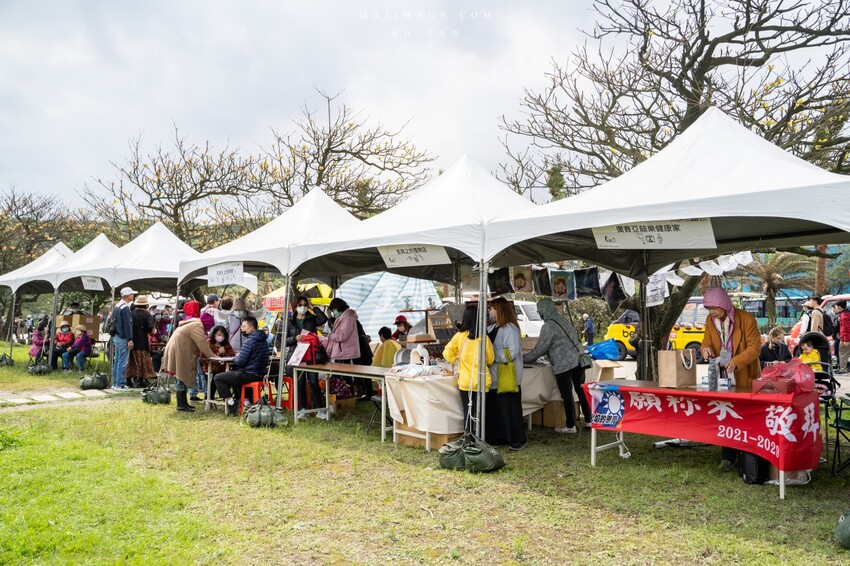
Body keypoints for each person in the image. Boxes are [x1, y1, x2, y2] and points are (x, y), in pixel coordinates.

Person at [700, 287, 761, 471]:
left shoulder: (747, 319)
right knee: (727, 416)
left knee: (745, 416)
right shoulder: (710, 320)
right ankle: (728, 457)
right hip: (722, 375)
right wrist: (705, 348)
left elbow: (755, 348)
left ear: (725, 305)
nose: (712, 312)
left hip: (743, 373)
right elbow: (707, 340)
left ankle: (748, 456)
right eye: (709, 308)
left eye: (715, 308)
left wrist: (736, 361)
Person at [523, 298, 592, 433]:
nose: (539, 314)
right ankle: (589, 420)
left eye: (539, 311)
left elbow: (540, 349)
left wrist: (525, 358)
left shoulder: (548, 326)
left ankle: (570, 425)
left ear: (544, 310)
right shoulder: (562, 319)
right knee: (580, 390)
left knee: (567, 394)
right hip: (578, 359)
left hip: (564, 363)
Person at [443, 304, 495, 423]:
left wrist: (456, 359)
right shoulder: (484, 338)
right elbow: (490, 359)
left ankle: (469, 437)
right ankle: (481, 437)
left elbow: (446, 353)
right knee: (481, 413)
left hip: (466, 382)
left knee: (468, 411)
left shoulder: (459, 336)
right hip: (482, 381)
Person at [488, 297, 527, 451]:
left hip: (508, 376)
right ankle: (502, 436)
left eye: (493, 309)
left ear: (500, 310)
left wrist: (493, 357)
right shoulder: (493, 328)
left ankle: (518, 439)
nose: (490, 311)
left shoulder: (510, 328)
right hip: (495, 376)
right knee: (498, 410)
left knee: (510, 409)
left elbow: (513, 351)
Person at [162, 300, 215, 412]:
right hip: (179, 352)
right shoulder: (196, 325)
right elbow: (202, 343)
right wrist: (213, 356)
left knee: (181, 376)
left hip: (177, 350)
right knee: (180, 377)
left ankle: (184, 403)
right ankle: (181, 404)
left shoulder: (191, 323)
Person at [213, 316, 271, 416]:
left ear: (252, 328)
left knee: (218, 378)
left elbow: (240, 362)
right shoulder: (264, 341)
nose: (241, 328)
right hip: (260, 373)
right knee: (235, 376)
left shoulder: (249, 341)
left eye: (244, 326)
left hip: (249, 374)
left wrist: (236, 357)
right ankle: (246, 404)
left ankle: (232, 404)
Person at [283, 295, 329, 415]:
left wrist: (314, 308)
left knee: (313, 381)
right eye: (300, 305)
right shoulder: (289, 321)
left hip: (311, 354)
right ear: (295, 307)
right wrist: (294, 338)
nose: (302, 307)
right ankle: (303, 409)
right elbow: (282, 341)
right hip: (296, 354)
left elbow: (323, 319)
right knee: (300, 382)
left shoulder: (311, 318)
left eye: (304, 305)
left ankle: (320, 409)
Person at [126, 295, 156, 389]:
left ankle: (129, 379)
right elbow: (150, 327)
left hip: (131, 340)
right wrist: (152, 331)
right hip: (142, 340)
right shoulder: (147, 315)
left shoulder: (130, 313)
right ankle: (141, 379)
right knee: (142, 360)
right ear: (146, 305)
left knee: (131, 361)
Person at [200, 324, 237, 400]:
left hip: (224, 368)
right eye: (219, 335)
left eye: (223, 335)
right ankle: (210, 398)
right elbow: (204, 355)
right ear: (214, 335)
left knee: (229, 376)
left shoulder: (226, 344)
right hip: (211, 367)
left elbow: (232, 354)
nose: (221, 337)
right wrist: (217, 353)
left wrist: (224, 353)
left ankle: (227, 397)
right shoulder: (209, 343)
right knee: (215, 377)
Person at [110, 286, 136, 391]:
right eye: (131, 294)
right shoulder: (125, 307)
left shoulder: (117, 306)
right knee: (122, 361)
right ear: (127, 295)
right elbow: (127, 324)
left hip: (116, 335)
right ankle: (120, 384)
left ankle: (116, 382)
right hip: (123, 337)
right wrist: (130, 338)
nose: (133, 295)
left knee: (117, 361)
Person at [838, 300, 850, 374]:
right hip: (846, 337)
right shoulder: (847, 313)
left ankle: (843, 370)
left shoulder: (844, 316)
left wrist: (846, 339)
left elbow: (846, 328)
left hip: (845, 338)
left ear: (839, 307)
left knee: (843, 353)